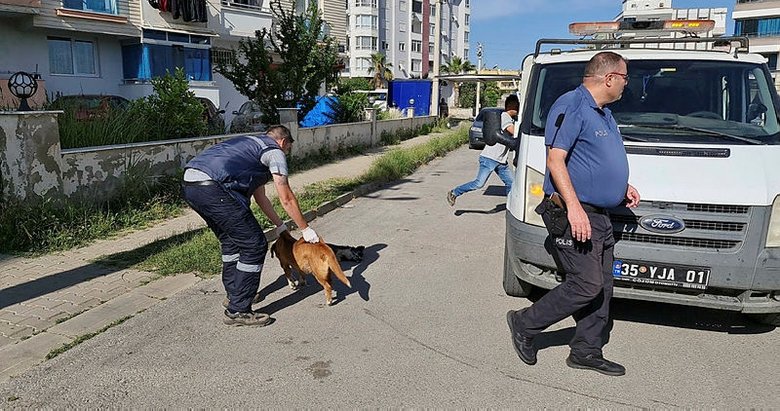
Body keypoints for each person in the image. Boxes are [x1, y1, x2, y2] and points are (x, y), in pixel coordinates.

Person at [506, 52, 640, 376]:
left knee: (602, 286)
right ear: (609, 78)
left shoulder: (603, 113)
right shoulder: (572, 105)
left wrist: (620, 186)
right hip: (575, 213)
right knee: (586, 284)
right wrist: (575, 208)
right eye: (625, 77)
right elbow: (555, 160)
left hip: (601, 214)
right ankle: (524, 323)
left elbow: (591, 159)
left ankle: (586, 351)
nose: (626, 84)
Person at [182, 125, 319, 326]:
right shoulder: (274, 151)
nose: (286, 153)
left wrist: (280, 226)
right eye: (288, 149)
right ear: (283, 142)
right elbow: (286, 198)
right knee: (254, 244)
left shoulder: (250, 147)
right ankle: (238, 310)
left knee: (231, 241)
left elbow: (261, 198)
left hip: (191, 185)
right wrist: (305, 229)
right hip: (214, 188)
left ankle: (235, 294)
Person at [446, 94, 519, 206]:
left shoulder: (510, 119)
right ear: (510, 106)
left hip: (500, 161)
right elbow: (513, 131)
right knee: (479, 184)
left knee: (511, 183)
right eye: (516, 106)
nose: (518, 108)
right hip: (490, 158)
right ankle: (454, 192)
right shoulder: (505, 117)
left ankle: (510, 206)